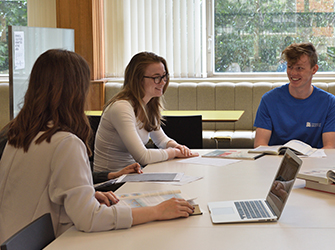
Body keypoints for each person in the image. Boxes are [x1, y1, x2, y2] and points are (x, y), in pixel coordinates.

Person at [0, 49, 194, 243]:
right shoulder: (66, 143)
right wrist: (157, 211)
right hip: (47, 243)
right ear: (75, 91)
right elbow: (90, 219)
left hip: (15, 239)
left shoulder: (18, 133)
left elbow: (38, 189)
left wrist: (88, 193)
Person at [93, 52, 198, 173]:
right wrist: (174, 152)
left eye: (164, 76)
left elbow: (161, 140)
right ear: (138, 79)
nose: (163, 82)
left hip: (134, 174)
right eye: (156, 77)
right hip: (112, 181)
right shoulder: (121, 107)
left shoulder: (148, 106)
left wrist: (176, 146)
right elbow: (143, 157)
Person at [254, 42, 335, 149]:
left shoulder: (329, 102)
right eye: (290, 67)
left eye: (299, 68)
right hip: (277, 163)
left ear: (314, 69)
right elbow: (260, 145)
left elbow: (330, 148)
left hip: (317, 163)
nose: (293, 73)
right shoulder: (269, 100)